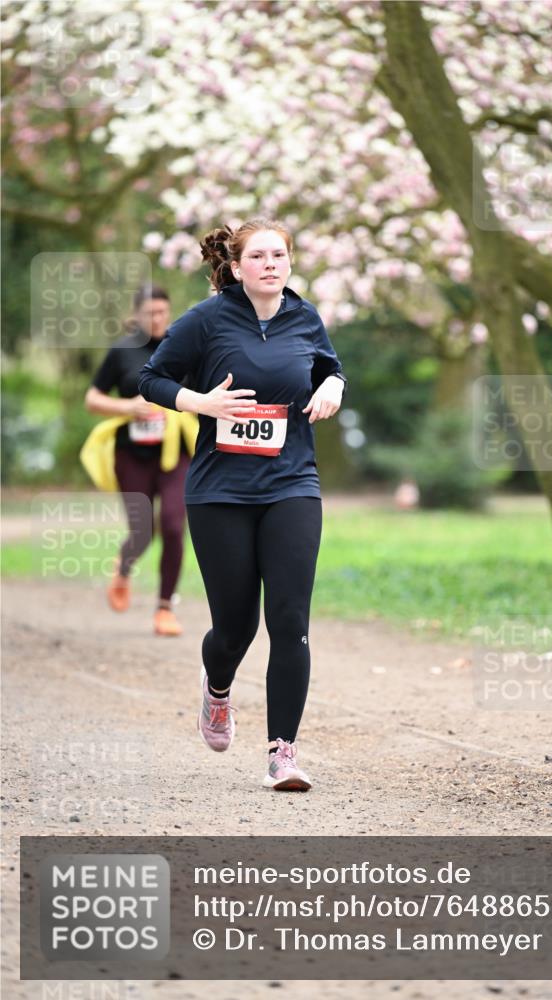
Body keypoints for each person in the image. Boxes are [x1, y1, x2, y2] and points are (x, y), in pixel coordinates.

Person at [138, 219, 346, 791]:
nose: (271, 264)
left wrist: (335, 386)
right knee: (235, 627)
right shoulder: (206, 320)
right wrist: (201, 402)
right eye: (258, 256)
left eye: (280, 254)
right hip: (220, 492)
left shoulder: (305, 318)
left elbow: (329, 367)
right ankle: (218, 689)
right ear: (235, 267)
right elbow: (150, 378)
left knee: (289, 622)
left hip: (292, 485)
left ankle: (283, 753)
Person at [84, 285, 193, 637]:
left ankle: (164, 608)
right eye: (149, 313)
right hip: (132, 453)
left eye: (162, 312)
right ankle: (124, 565)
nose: (157, 319)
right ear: (137, 315)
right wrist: (128, 407)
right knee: (142, 530)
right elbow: (93, 398)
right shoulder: (123, 350)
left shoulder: (184, 346)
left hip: (176, 453)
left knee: (175, 525)